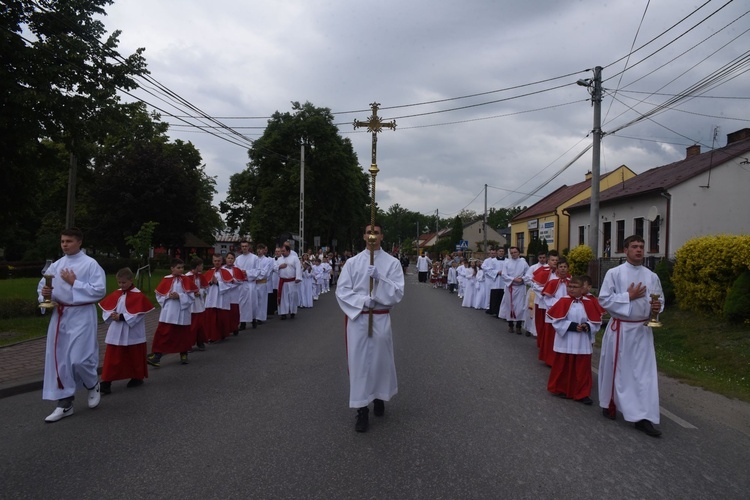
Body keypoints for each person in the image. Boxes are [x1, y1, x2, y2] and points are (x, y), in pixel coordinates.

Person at [336, 223, 404, 433]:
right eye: (368, 232)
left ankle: (379, 396)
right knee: (359, 363)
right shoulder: (353, 263)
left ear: (382, 236)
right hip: (359, 319)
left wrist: (379, 279)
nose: (372, 235)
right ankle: (361, 408)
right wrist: (362, 301)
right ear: (363, 236)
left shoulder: (392, 263)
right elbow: (342, 290)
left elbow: (398, 292)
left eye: (375, 232)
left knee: (380, 361)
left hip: (381, 319)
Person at [597, 235, 664, 437]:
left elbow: (660, 299)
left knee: (645, 375)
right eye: (634, 246)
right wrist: (628, 296)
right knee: (617, 369)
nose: (639, 250)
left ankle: (643, 417)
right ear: (625, 250)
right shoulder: (614, 273)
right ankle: (610, 403)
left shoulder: (652, 276)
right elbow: (604, 300)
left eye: (641, 247)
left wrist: (657, 307)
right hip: (621, 329)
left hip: (643, 330)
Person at [39, 228, 106, 422]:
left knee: (79, 358)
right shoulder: (56, 265)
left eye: (69, 241)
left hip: (82, 313)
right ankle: (64, 403)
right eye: (62, 241)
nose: (64, 244)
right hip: (61, 314)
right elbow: (43, 286)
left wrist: (75, 282)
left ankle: (92, 383)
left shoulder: (90, 264)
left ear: (79, 242)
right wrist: (44, 293)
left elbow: (99, 290)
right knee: (60, 360)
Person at [546, 276, 605, 404]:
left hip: (582, 340)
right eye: (570, 286)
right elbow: (555, 321)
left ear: (582, 288)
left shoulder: (589, 302)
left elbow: (596, 322)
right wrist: (572, 326)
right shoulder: (563, 301)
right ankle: (561, 389)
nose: (571, 289)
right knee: (564, 364)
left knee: (582, 368)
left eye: (575, 287)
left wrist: (587, 326)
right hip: (566, 338)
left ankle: (582, 393)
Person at [98, 268, 154, 395]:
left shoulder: (138, 295)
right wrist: (112, 314)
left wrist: (123, 317)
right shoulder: (117, 293)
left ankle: (137, 377)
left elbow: (139, 313)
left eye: (124, 282)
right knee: (113, 357)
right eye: (119, 283)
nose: (121, 285)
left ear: (131, 280)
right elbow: (107, 308)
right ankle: (106, 382)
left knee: (134, 355)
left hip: (132, 330)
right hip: (116, 330)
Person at [147, 258, 197, 367]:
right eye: (178, 268)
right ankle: (157, 356)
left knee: (182, 334)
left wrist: (180, 296)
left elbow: (191, 296)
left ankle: (183, 353)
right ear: (172, 268)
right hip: (169, 312)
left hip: (182, 311)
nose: (181, 270)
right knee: (163, 334)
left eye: (182, 268)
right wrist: (168, 295)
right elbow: (159, 295)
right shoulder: (166, 279)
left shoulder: (186, 279)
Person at [540, 257, 571, 367]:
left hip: (567, 313)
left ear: (568, 269)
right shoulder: (552, 282)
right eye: (561, 267)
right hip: (553, 312)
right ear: (557, 269)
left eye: (565, 267)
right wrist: (559, 304)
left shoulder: (571, 282)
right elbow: (546, 298)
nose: (563, 269)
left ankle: (563, 360)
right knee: (552, 337)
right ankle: (550, 360)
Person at [498, 246, 530, 334]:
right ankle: (510, 325)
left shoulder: (523, 263)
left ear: (519, 253)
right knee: (510, 306)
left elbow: (528, 274)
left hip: (520, 288)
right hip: (510, 287)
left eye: (515, 252)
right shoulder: (507, 263)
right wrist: (513, 279)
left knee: (520, 308)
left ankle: (518, 326)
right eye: (511, 253)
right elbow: (504, 275)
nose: (513, 254)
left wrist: (522, 279)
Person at [185, 257, 209, 351]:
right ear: (197, 266)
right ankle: (189, 343)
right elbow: (184, 289)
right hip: (190, 304)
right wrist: (192, 293)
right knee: (192, 325)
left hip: (199, 303)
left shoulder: (200, 276)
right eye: (201, 266)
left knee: (200, 324)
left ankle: (200, 341)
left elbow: (206, 288)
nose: (202, 267)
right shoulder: (187, 277)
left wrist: (201, 292)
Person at [523, 251, 548, 338]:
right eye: (540, 258)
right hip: (533, 292)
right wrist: (534, 284)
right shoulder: (533, 267)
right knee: (530, 311)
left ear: (546, 258)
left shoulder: (549, 268)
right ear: (538, 258)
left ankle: (537, 331)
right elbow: (526, 279)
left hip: (544, 293)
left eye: (544, 258)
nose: (542, 259)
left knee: (539, 313)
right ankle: (528, 328)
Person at [235, 240, 259, 330]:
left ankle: (253, 319)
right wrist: (240, 274)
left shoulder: (254, 258)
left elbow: (257, 270)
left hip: (250, 284)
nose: (244, 248)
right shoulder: (238, 259)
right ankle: (243, 322)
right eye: (242, 246)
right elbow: (235, 270)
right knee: (242, 304)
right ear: (241, 248)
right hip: (241, 284)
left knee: (252, 303)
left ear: (249, 247)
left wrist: (247, 272)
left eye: (246, 246)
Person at [275, 243, 302, 319]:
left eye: (284, 251)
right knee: (283, 297)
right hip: (283, 281)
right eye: (281, 251)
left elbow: (298, 268)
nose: (282, 253)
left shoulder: (294, 258)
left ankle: (292, 311)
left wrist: (298, 277)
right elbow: (274, 268)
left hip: (292, 281)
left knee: (292, 297)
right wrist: (280, 266)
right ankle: (283, 313)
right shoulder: (279, 259)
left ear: (288, 251)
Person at [483, 248, 503, 316]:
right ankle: (489, 307)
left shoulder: (506, 260)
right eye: (492, 253)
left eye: (494, 253)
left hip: (502, 280)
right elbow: (486, 268)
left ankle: (499, 310)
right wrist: (497, 272)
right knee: (489, 293)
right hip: (491, 279)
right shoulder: (488, 261)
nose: (493, 254)